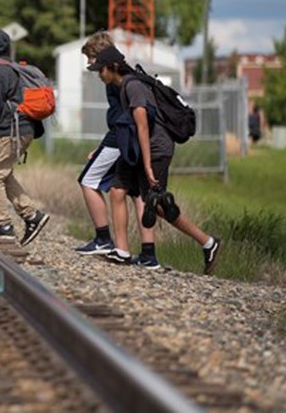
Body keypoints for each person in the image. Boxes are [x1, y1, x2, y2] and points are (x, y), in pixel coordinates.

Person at [90, 46, 222, 274]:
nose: (98, 75)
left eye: (100, 70)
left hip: (156, 150)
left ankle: (208, 242)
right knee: (117, 190)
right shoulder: (124, 86)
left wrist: (148, 166)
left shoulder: (133, 86)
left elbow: (142, 126)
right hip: (140, 149)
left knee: (159, 205)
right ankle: (122, 251)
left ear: (112, 67)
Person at [0, 27, 50, 246]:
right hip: (24, 130)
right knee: (2, 174)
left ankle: (2, 225)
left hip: (7, 132)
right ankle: (32, 215)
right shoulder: (10, 68)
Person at [74, 31, 120, 255]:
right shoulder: (119, 74)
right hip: (122, 139)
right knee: (133, 193)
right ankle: (145, 252)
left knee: (87, 180)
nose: (89, 65)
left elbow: (121, 118)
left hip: (119, 140)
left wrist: (106, 146)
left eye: (90, 59)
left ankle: (103, 239)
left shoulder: (114, 78)